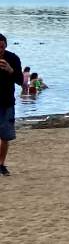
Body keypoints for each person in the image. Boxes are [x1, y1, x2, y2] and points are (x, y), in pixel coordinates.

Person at [0, 33, 20, 176]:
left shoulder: (13, 58)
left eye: (2, 46)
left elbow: (21, 81)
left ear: (5, 46)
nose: (0, 49)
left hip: (7, 102)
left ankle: (1, 164)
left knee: (5, 137)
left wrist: (10, 70)